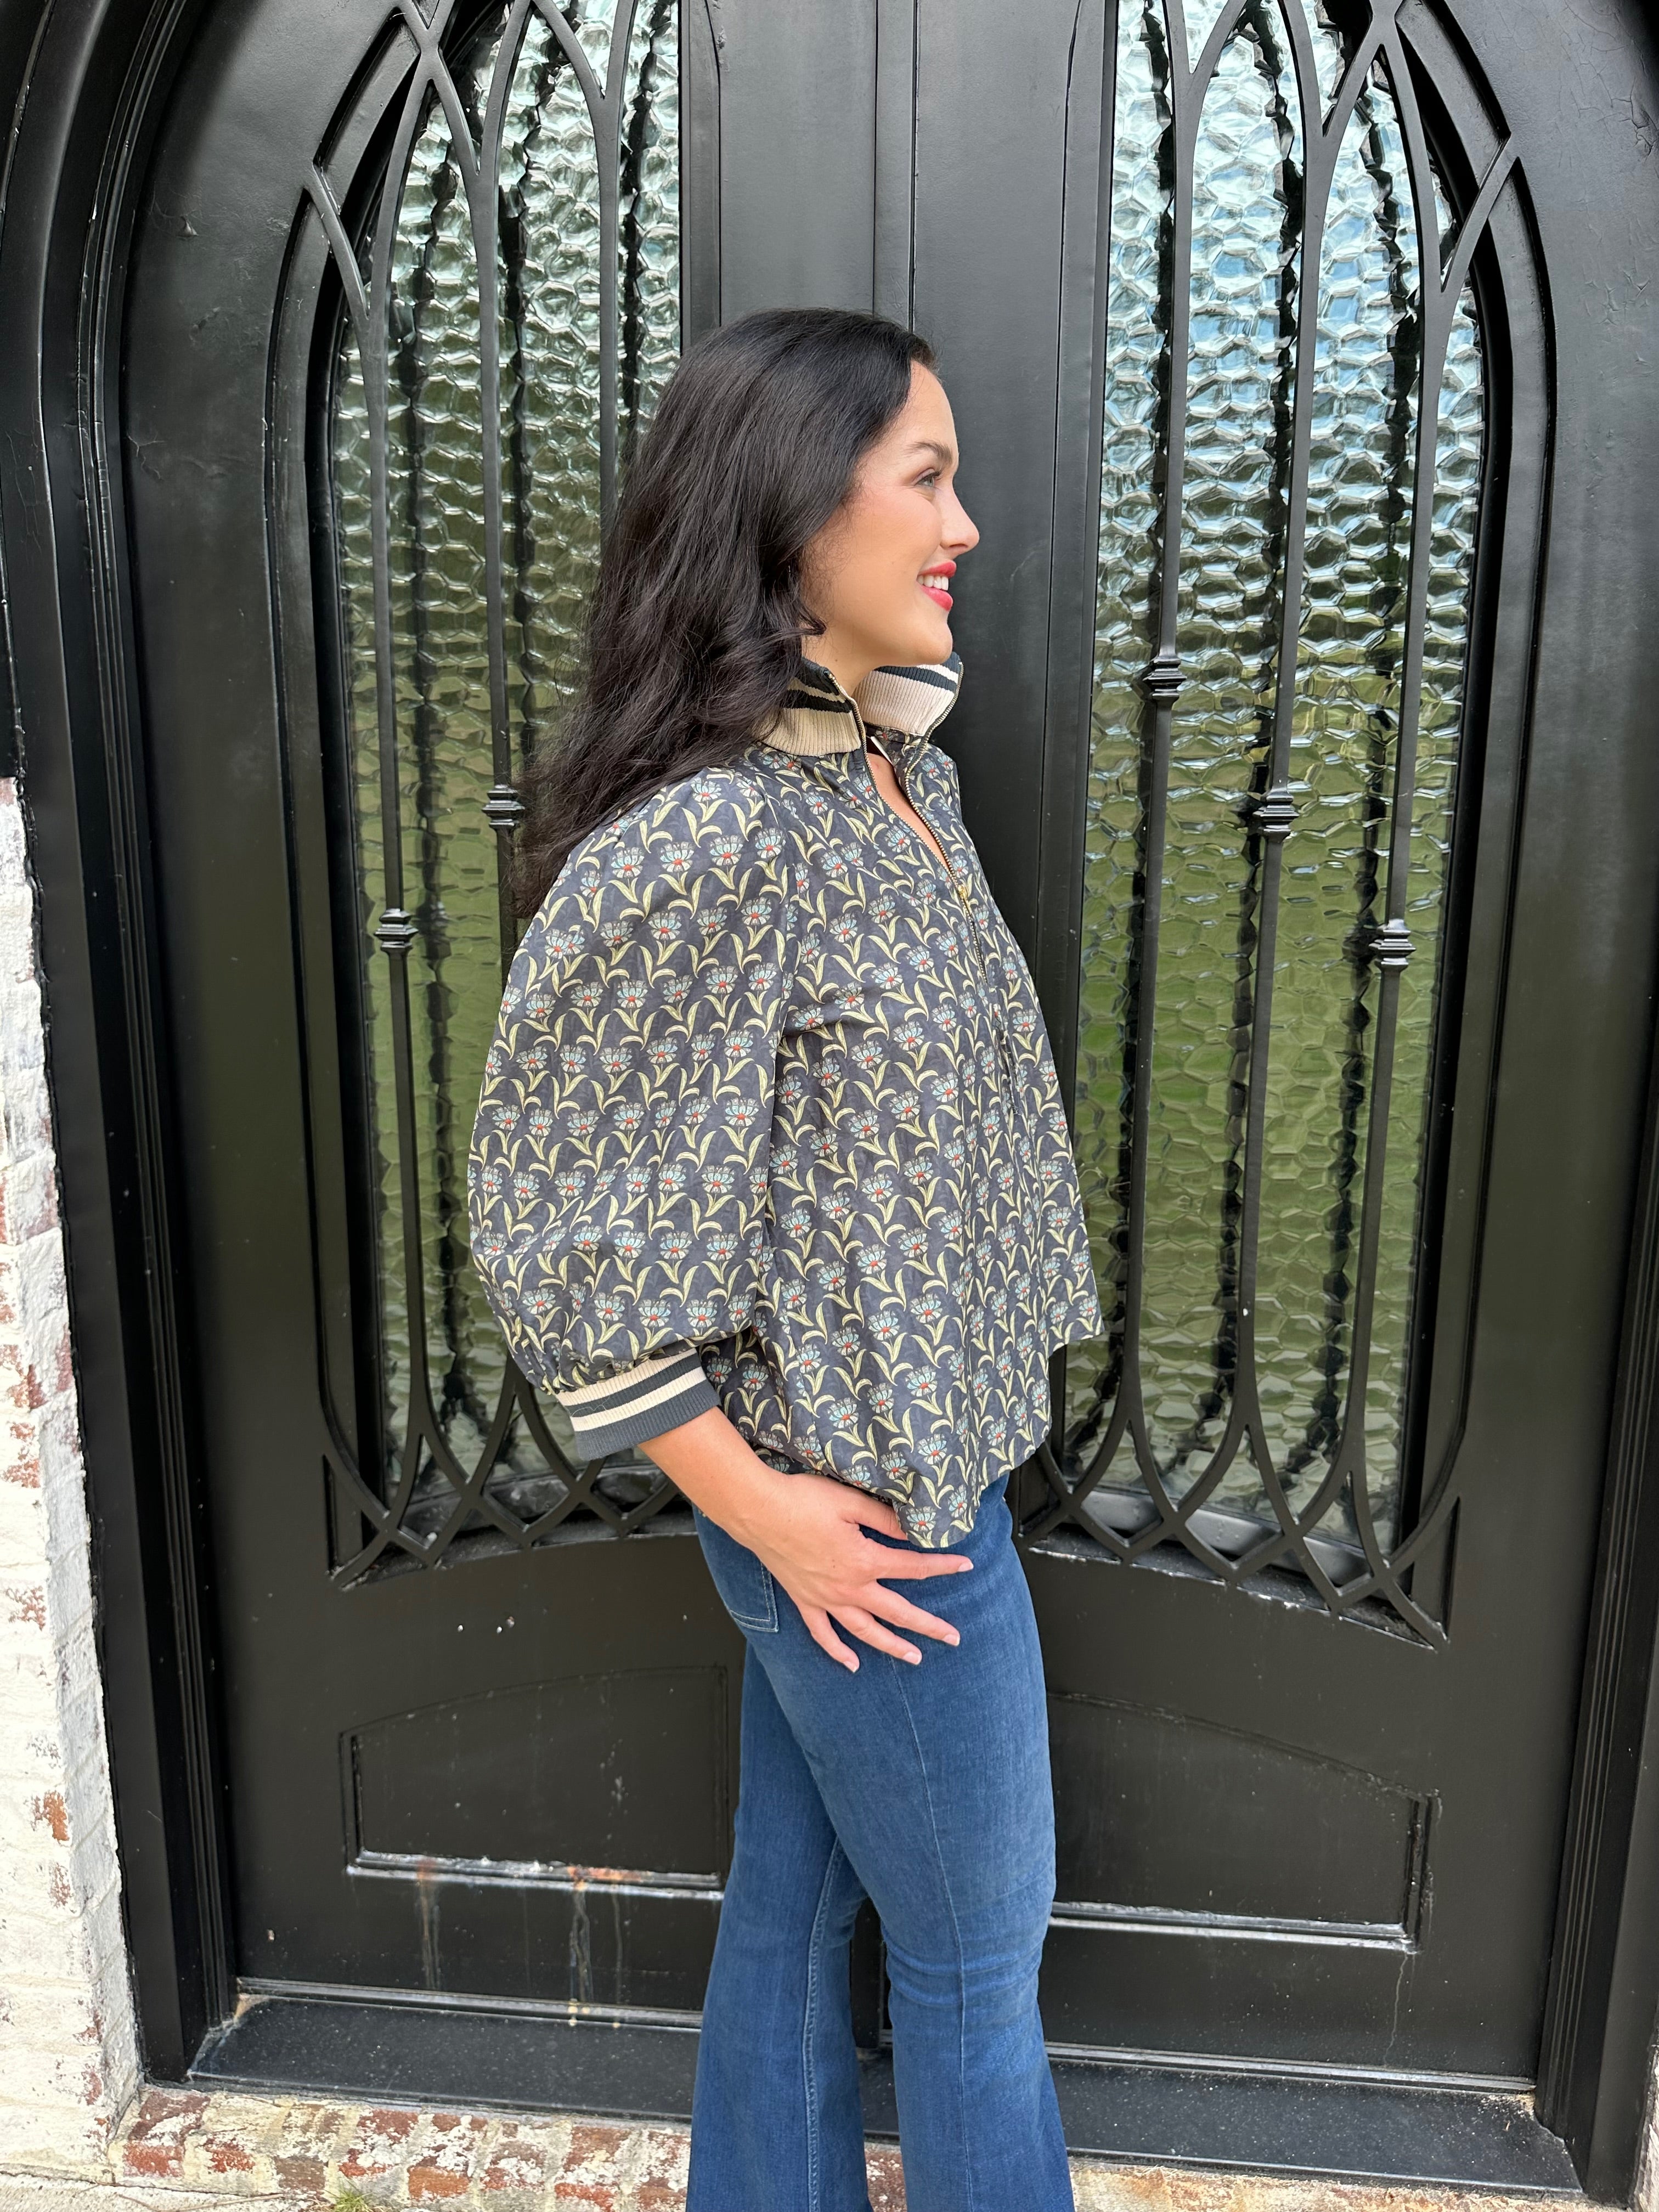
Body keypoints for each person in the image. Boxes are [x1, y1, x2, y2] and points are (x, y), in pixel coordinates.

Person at [469, 307, 1103, 2212]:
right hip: (867, 1519)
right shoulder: (714, 842)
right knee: (976, 1977)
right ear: (795, 510)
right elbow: (559, 1228)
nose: (965, 524)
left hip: (919, 1469)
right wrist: (772, 1518)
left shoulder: (900, 783)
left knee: (789, 1908)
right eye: (927, 477)